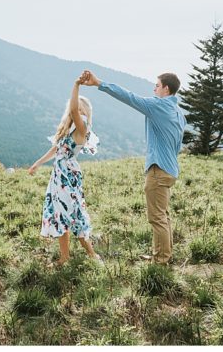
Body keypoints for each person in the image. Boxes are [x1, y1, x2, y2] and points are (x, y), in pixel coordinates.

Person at [80, 70, 186, 265]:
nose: (154, 88)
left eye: (157, 85)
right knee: (163, 215)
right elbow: (177, 144)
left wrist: (98, 83)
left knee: (157, 218)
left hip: (158, 169)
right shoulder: (179, 113)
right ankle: (160, 255)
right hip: (170, 168)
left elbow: (129, 97)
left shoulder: (157, 106)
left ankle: (161, 261)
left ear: (166, 89)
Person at [29, 77, 102, 267]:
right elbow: (56, 149)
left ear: (85, 113)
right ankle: (65, 257)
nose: (76, 112)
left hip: (68, 175)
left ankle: (92, 255)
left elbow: (72, 109)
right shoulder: (68, 130)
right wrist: (38, 163)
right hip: (58, 175)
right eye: (76, 109)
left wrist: (76, 85)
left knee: (74, 214)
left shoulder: (82, 128)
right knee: (60, 214)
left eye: (80, 110)